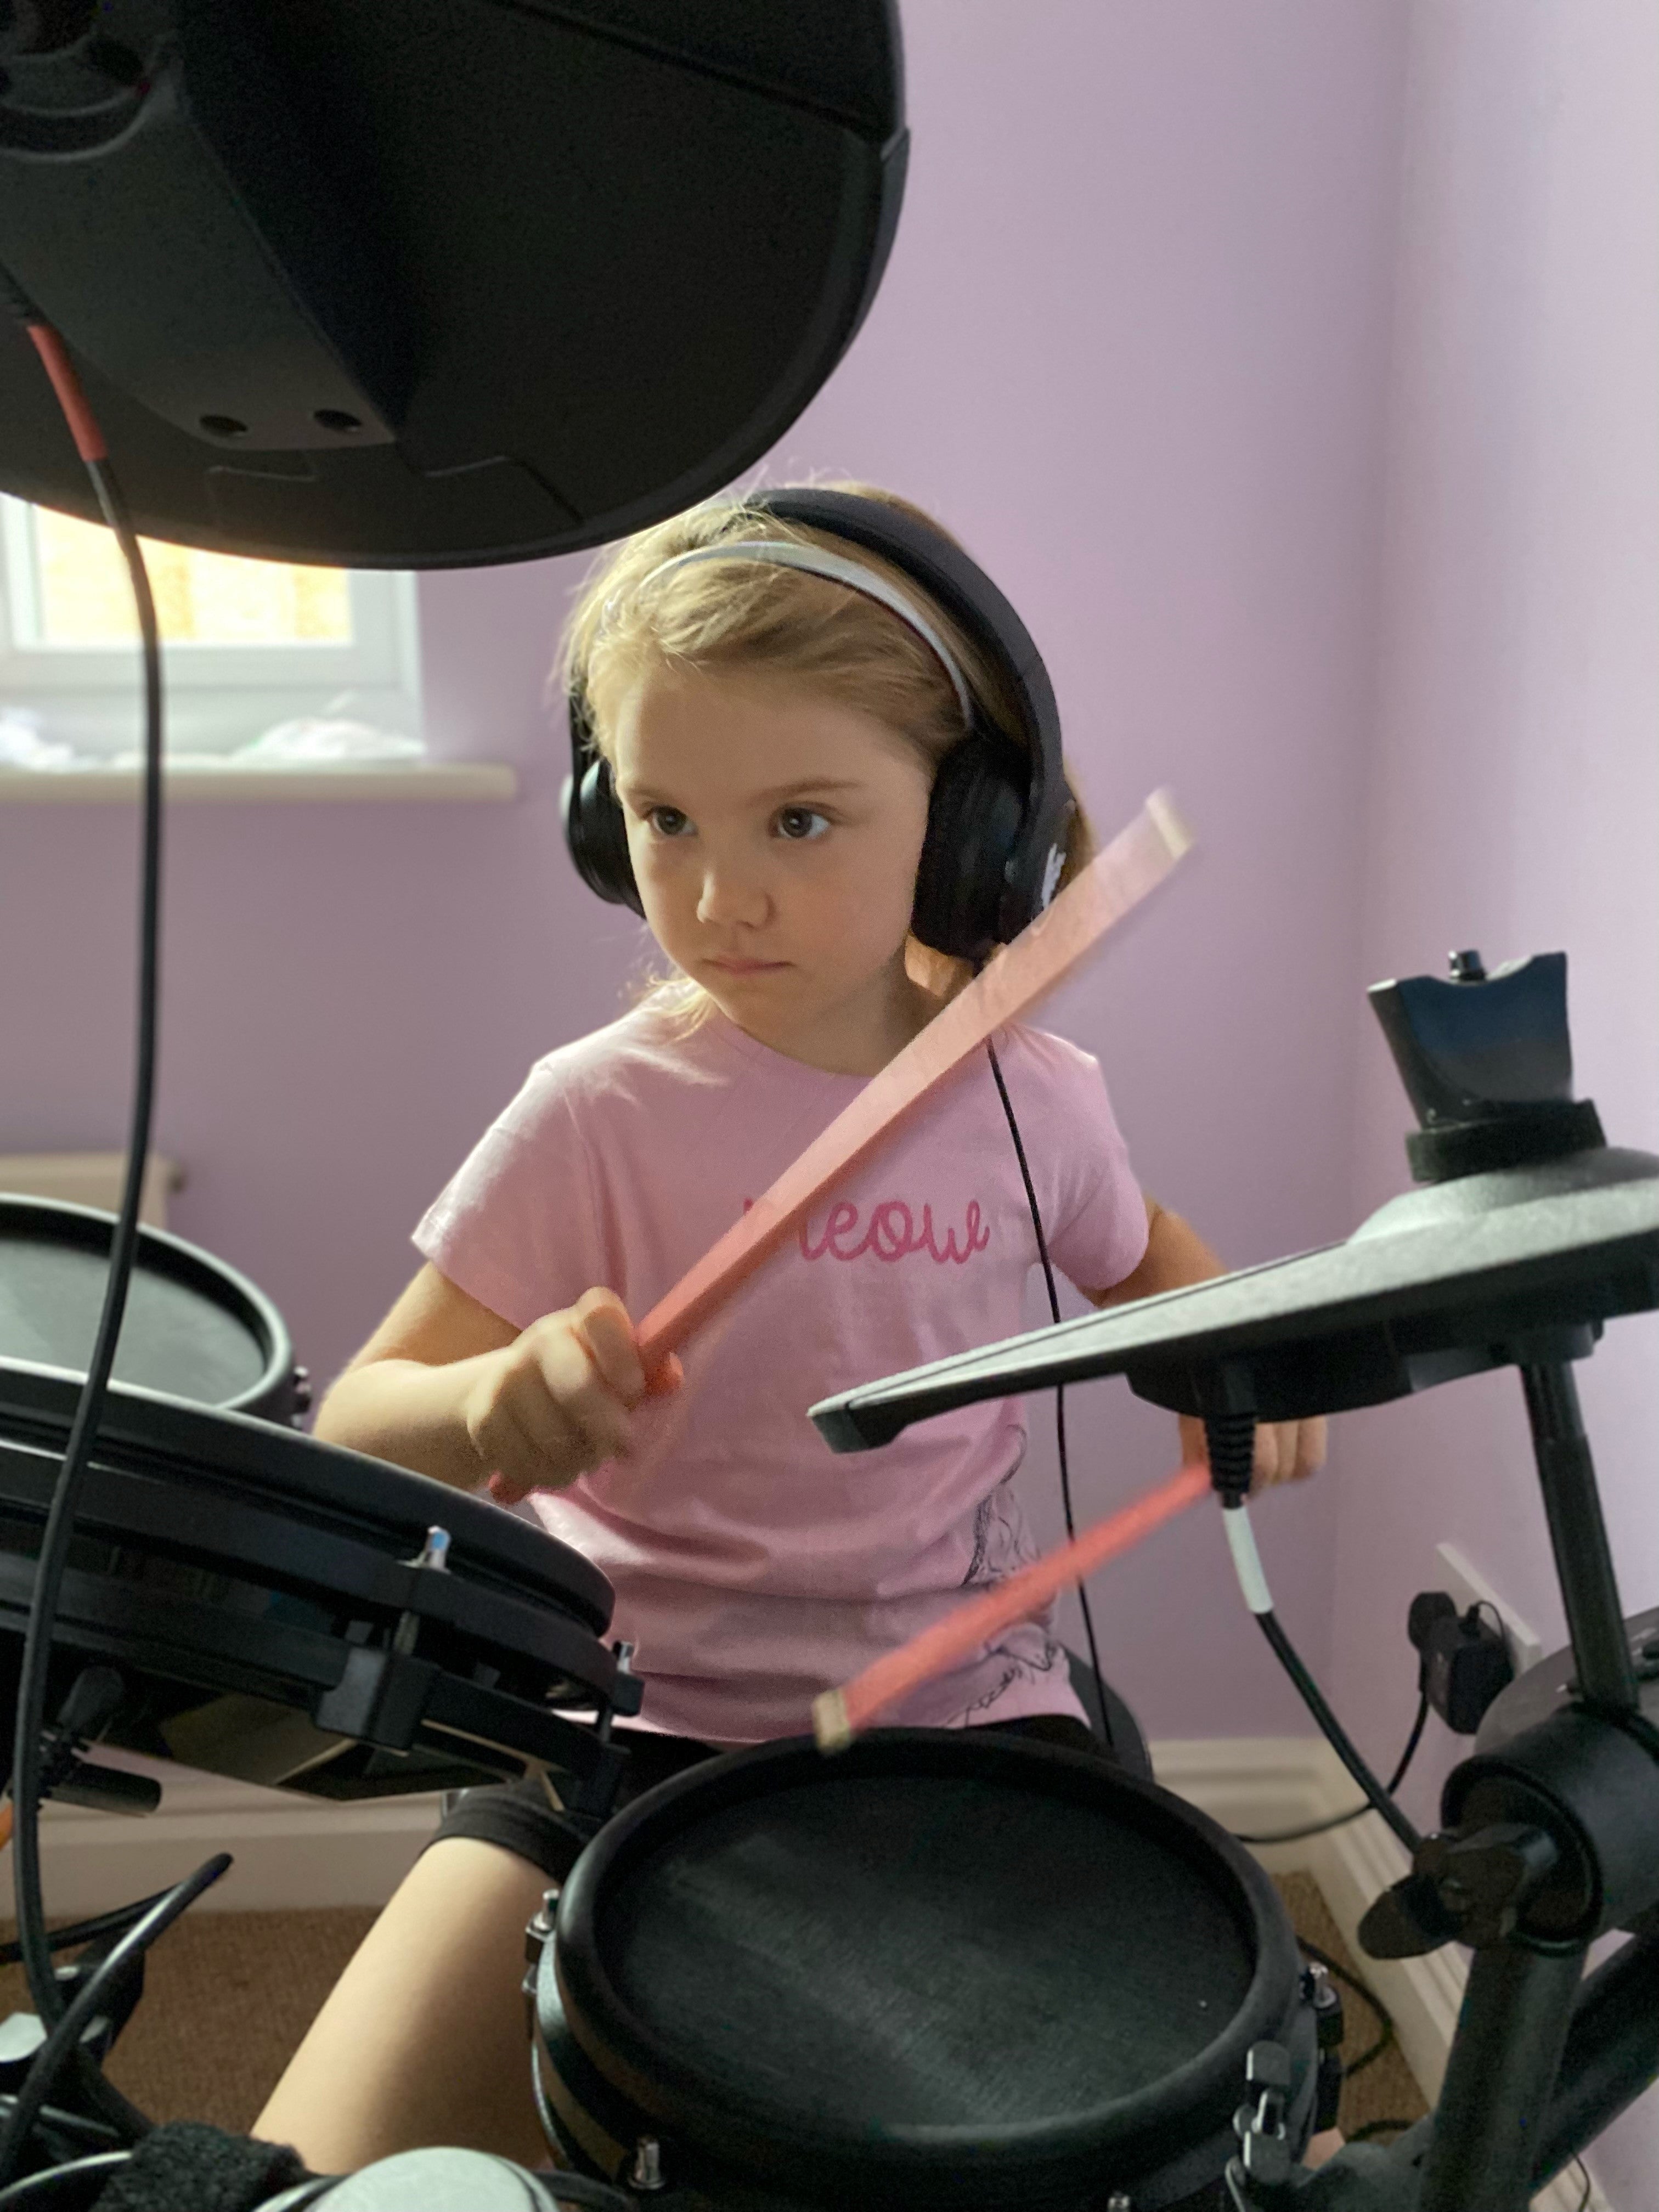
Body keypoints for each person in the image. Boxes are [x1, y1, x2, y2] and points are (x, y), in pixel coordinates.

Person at [255, 485, 1325, 2172]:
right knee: (317, 2171)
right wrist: (492, 1407)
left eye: (800, 823)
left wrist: (1229, 1357)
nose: (717, 894)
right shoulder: (596, 1116)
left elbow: (1150, 1264)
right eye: (667, 819)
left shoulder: (1032, 1097)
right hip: (606, 1723)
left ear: (969, 828)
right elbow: (358, 1417)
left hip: (962, 1705)